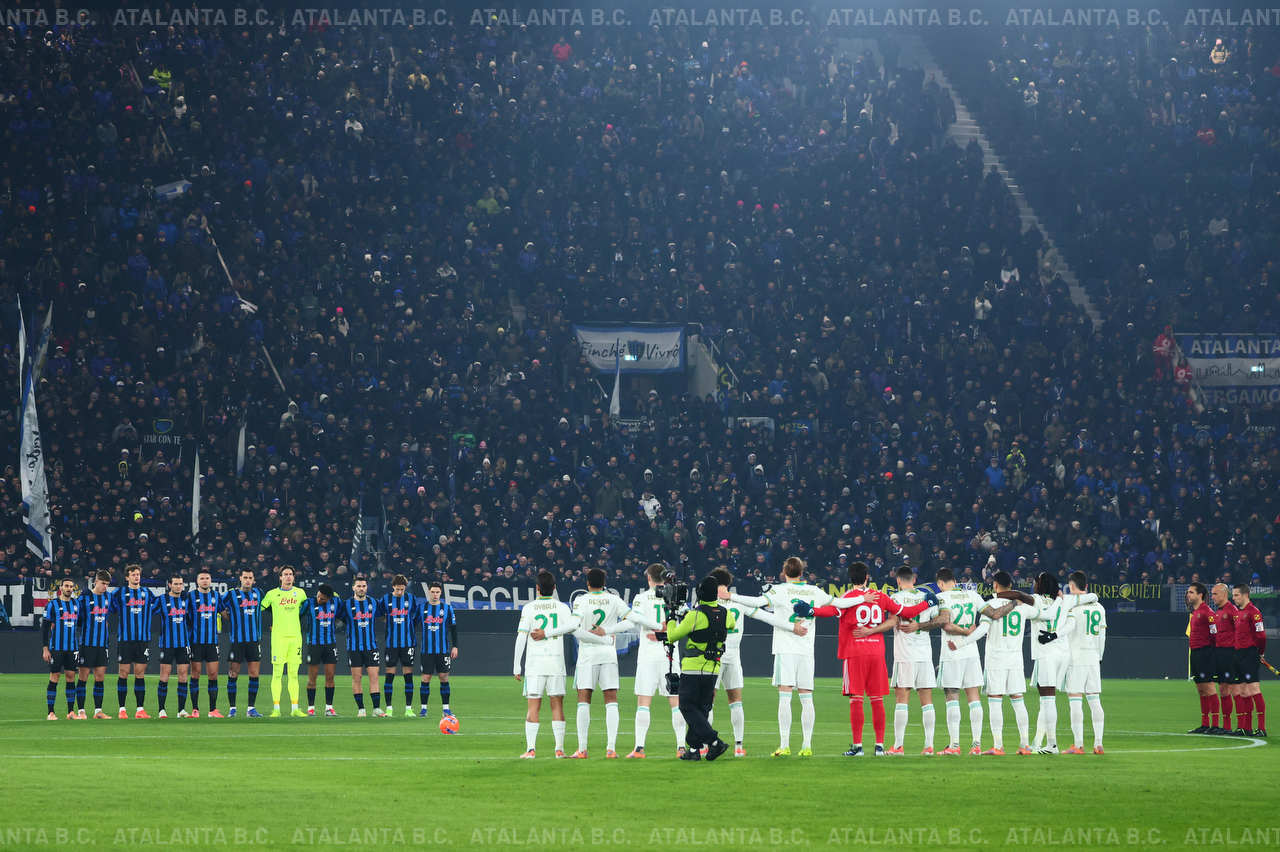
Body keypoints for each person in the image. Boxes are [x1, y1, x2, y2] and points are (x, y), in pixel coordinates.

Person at [727, 556, 865, 757]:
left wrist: (731, 596)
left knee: (785, 697)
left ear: (784, 573)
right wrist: (863, 598)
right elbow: (841, 603)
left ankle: (784, 745)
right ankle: (807, 746)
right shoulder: (814, 590)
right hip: (806, 650)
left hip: (785, 648)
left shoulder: (779, 590)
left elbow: (756, 602)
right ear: (802, 572)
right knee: (807, 698)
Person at [810, 561, 938, 756]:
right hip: (877, 653)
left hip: (855, 651)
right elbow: (907, 613)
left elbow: (831, 610)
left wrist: (811, 611)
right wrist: (926, 603)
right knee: (877, 700)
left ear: (850, 578)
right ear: (867, 577)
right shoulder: (880, 596)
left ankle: (858, 746)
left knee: (856, 699)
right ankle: (879, 746)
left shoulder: (848, 597)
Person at [996, 573, 1098, 754]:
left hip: (1046, 654)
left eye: (1036, 582)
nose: (1034, 585)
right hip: (1063, 654)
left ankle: (1052, 744)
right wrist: (1061, 598)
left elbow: (1018, 595)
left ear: (1040, 585)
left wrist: (997, 595)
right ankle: (1037, 742)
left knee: (1047, 700)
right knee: (1046, 702)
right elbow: (1093, 596)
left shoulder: (1036, 600)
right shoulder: (1066, 600)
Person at [950, 570, 1035, 755]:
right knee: (1018, 701)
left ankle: (998, 746)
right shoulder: (1022, 607)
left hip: (996, 660)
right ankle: (1025, 745)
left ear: (995, 585)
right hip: (1015, 660)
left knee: (995, 702)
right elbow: (1042, 612)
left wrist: (961, 643)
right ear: (1011, 586)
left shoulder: (991, 605)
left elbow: (982, 630)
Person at [513, 571, 594, 758]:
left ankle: (531, 749)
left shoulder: (529, 608)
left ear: (537, 588)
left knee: (533, 706)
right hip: (556, 663)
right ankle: (559, 749)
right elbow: (574, 629)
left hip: (535, 664)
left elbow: (521, 637)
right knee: (557, 705)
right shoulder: (563, 608)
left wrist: (516, 665)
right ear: (555, 588)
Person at [664, 574, 735, 762]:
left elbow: (672, 636)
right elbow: (731, 625)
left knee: (687, 706)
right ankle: (694, 750)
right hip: (713, 668)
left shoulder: (695, 615)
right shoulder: (726, 613)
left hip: (693, 667)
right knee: (702, 709)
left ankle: (714, 742)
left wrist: (671, 619)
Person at [620, 563, 687, 758]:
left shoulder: (641, 598)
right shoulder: (675, 596)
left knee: (643, 701)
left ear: (649, 578)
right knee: (675, 701)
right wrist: (666, 630)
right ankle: (681, 747)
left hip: (648, 656)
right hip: (670, 654)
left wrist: (656, 628)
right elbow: (686, 618)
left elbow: (635, 619)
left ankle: (639, 748)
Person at [568, 567, 631, 759]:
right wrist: (607, 633)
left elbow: (574, 627)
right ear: (604, 583)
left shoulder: (580, 600)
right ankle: (611, 749)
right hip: (608, 653)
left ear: (587, 583)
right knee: (611, 699)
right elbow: (630, 622)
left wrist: (595, 637)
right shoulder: (614, 599)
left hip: (587, 654)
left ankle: (582, 749)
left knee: (583, 698)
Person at [888, 566, 951, 755]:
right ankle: (929, 746)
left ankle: (898, 746)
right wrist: (921, 626)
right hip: (924, 654)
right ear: (914, 579)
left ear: (898, 580)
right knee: (927, 701)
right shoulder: (927, 597)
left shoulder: (895, 598)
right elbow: (938, 621)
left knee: (902, 699)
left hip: (904, 655)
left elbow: (893, 621)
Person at [935, 567, 995, 755]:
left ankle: (954, 745)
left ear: (940, 583)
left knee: (952, 696)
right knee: (973, 697)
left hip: (952, 650)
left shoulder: (941, 598)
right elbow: (990, 613)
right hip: (971, 652)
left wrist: (964, 631)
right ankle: (976, 745)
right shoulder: (973, 595)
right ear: (955, 581)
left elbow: (946, 625)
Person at [1061, 571, 1106, 754]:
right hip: (1093, 657)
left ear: (1071, 586)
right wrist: (1098, 657)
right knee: (1095, 701)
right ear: (1086, 586)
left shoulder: (1072, 608)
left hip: (1076, 657)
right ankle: (1098, 743)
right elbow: (1102, 636)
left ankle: (1078, 744)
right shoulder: (1100, 608)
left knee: (1075, 700)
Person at [260, 566, 308, 717]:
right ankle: (276, 709)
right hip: (279, 639)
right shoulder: (272, 594)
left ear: (294, 577)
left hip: (295, 638)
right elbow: (260, 609)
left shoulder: (300, 593)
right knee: (277, 674)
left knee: (293, 674)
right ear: (280, 577)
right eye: (285, 574)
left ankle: (295, 709)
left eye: (291, 574)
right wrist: (269, 624)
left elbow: (306, 610)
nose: (288, 577)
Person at [109, 564, 155, 718]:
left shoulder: (147, 593)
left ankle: (140, 710)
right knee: (123, 673)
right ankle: (122, 709)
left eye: (138, 574)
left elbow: (157, 607)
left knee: (140, 674)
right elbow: (108, 606)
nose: (136, 577)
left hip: (142, 640)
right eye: (133, 574)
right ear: (127, 577)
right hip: (125, 639)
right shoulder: (119, 593)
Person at [339, 574, 384, 717]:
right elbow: (340, 619)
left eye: (364, 586)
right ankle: (361, 709)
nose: (361, 588)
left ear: (367, 587)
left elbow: (382, 616)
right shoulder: (346, 604)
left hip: (371, 646)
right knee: (357, 678)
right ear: (353, 588)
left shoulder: (374, 602)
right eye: (358, 586)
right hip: (354, 647)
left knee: (374, 677)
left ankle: (376, 709)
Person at [222, 568, 264, 717]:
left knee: (254, 674)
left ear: (253, 580)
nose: (247, 580)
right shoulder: (231, 594)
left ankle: (251, 709)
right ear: (240, 578)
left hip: (254, 641)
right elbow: (219, 606)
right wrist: (228, 617)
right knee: (233, 673)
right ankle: (232, 709)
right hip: (237, 641)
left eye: (250, 578)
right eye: (245, 577)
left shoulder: (259, 593)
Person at [151, 575, 192, 719]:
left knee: (183, 676)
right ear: (169, 585)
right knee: (164, 676)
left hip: (183, 644)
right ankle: (161, 710)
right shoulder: (162, 600)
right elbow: (149, 613)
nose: (178, 586)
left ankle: (181, 710)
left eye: (180, 584)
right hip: (167, 644)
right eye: (175, 584)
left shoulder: (186, 600)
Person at [418, 580, 458, 719]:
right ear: (428, 592)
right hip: (426, 650)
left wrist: (455, 646)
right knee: (426, 678)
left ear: (441, 593)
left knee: (444, 677)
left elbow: (453, 628)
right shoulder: (421, 608)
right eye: (433, 592)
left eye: (437, 592)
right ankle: (423, 709)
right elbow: (412, 624)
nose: (435, 594)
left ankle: (446, 709)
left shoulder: (447, 608)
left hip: (443, 650)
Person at [381, 574, 420, 717]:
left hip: (408, 643)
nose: (400, 592)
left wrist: (409, 626)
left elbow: (416, 616)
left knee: (408, 676)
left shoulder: (411, 599)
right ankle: (389, 709)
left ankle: (408, 709)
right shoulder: (385, 599)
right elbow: (379, 614)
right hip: (391, 643)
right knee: (389, 675)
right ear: (393, 587)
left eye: (402, 589)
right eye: (397, 589)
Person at [1230, 584, 1267, 736]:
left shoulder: (1254, 612)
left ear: (1245, 595)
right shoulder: (1238, 613)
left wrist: (1260, 652)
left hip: (1250, 654)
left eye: (1236, 595)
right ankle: (1247, 728)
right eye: (1233, 595)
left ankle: (1262, 728)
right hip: (1238, 654)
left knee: (1254, 690)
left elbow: (1261, 635)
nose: (1234, 598)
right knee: (1243, 692)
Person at [187, 570, 225, 717]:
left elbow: (224, 613)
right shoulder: (191, 596)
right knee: (195, 674)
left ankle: (212, 710)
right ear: (197, 581)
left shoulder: (216, 596)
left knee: (213, 675)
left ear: (211, 580)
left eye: (207, 578)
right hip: (196, 642)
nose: (204, 580)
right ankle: (195, 709)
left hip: (212, 642)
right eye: (202, 578)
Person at [76, 571, 113, 719]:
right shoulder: (84, 597)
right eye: (103, 583)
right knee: (83, 677)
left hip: (102, 644)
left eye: (107, 584)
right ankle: (81, 711)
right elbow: (77, 618)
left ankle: (98, 711)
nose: (105, 587)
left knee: (100, 677)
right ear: (96, 581)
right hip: (87, 643)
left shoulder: (108, 597)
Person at [42, 579, 81, 720]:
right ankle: (51, 712)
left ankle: (71, 712)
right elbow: (45, 628)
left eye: (71, 586)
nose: (69, 588)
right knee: (55, 677)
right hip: (56, 648)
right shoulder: (52, 605)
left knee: (71, 677)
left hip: (72, 648)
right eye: (66, 586)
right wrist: (45, 648)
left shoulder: (76, 604)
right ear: (61, 588)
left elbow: (80, 623)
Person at [1184, 582, 1219, 733]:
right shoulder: (1195, 612)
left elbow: (1215, 634)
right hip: (1195, 653)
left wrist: (1211, 653)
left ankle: (1215, 725)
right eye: (1188, 592)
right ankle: (1205, 724)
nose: (1188, 594)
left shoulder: (1207, 612)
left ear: (1200, 595)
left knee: (1209, 688)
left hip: (1205, 653)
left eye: (1191, 592)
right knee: (1201, 689)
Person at [302, 584, 339, 716]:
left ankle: (329, 708)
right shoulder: (309, 603)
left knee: (330, 677)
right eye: (318, 596)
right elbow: (297, 615)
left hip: (330, 644)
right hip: (314, 644)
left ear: (329, 598)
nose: (319, 599)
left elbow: (344, 615)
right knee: (312, 678)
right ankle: (311, 708)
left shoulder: (336, 602)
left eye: (322, 599)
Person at [1210, 583, 1238, 735]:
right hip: (1219, 653)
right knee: (1223, 689)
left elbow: (1240, 631)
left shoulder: (1232, 610)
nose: (1212, 597)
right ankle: (1226, 726)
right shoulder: (1218, 612)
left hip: (1230, 653)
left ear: (1224, 594)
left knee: (1234, 689)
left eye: (1215, 594)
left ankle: (1241, 726)